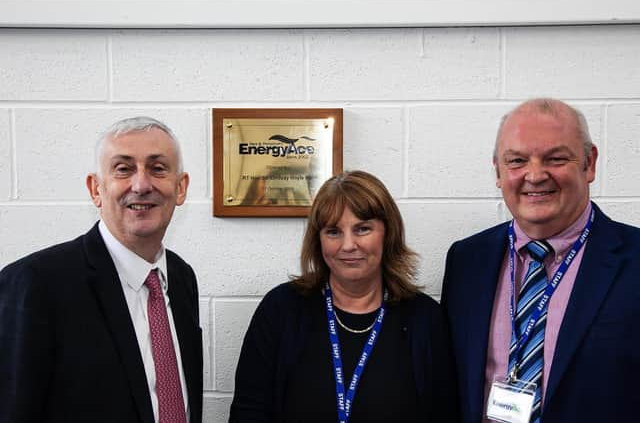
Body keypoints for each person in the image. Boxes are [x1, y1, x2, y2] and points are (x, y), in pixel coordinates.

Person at [441, 98, 640, 423]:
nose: (535, 175)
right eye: (517, 161)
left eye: (556, 158)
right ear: (498, 171)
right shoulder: (467, 262)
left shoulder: (634, 260)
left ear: (589, 163)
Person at [0, 117, 202, 423]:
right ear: (96, 189)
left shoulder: (181, 277)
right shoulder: (36, 283)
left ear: (181, 187)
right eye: (123, 169)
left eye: (157, 168)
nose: (142, 184)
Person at [230, 170, 457, 423]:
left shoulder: (424, 319)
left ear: (388, 233)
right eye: (333, 232)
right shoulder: (280, 310)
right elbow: (248, 413)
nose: (348, 245)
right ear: (319, 240)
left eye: (362, 229)